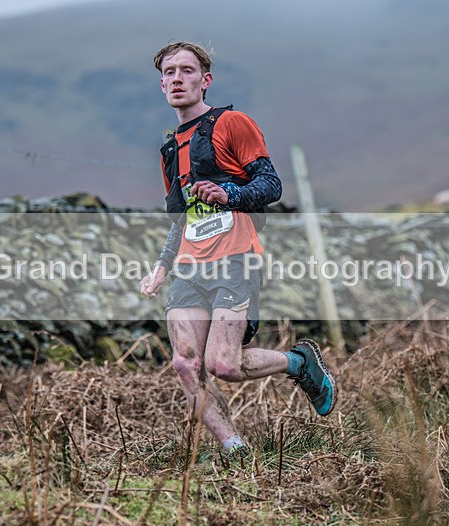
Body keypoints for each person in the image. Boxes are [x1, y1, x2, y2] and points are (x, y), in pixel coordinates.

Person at [140, 41, 337, 456]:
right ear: (161, 85)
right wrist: (162, 266)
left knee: (224, 365)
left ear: (205, 80)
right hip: (190, 267)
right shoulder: (169, 148)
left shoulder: (232, 123)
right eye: (169, 73)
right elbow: (182, 220)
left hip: (236, 258)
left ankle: (300, 363)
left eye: (187, 71)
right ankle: (236, 450)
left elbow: (271, 185)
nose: (177, 78)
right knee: (183, 364)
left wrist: (227, 192)